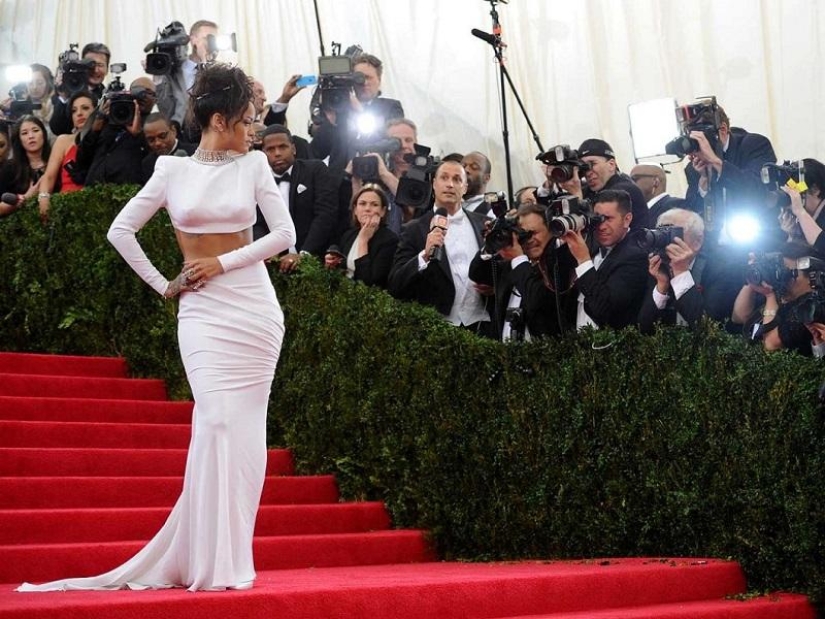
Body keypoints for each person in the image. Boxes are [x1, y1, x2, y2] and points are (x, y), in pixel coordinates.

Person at [17, 63, 296, 592]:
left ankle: (231, 559)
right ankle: (203, 558)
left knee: (246, 434)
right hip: (202, 312)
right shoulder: (171, 170)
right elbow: (120, 230)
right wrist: (163, 283)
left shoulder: (254, 164)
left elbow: (283, 233)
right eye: (245, 121)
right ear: (219, 119)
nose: (253, 130)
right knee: (213, 420)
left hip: (254, 308)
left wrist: (224, 262)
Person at [388, 160, 490, 331]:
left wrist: (493, 285)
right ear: (433, 184)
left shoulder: (485, 224)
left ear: (465, 187)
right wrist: (423, 256)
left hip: (482, 324)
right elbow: (395, 284)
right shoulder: (414, 229)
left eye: (457, 179)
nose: (450, 184)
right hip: (436, 328)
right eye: (444, 178)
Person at [469, 202, 578, 340]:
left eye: (534, 233)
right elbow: (477, 274)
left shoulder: (558, 266)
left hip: (541, 354)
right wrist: (491, 245)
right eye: (523, 234)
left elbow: (536, 302)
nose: (529, 240)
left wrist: (518, 258)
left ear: (551, 231)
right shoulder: (511, 264)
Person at [637, 208, 741, 333]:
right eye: (661, 232)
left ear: (697, 241)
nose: (664, 240)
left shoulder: (721, 269)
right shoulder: (659, 266)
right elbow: (644, 329)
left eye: (671, 233)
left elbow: (707, 329)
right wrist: (662, 286)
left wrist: (681, 273)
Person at [254, 124, 338, 269]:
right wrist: (267, 251)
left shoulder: (315, 170)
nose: (277, 153)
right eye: (270, 149)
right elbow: (257, 222)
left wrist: (304, 254)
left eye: (282, 147)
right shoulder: (259, 180)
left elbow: (325, 214)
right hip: (273, 265)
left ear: (293, 148)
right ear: (263, 153)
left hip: (314, 263)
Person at [562, 189, 649, 330]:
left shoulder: (636, 256)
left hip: (609, 347)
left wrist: (583, 260)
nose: (601, 226)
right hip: (577, 344)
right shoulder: (590, 245)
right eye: (597, 219)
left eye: (608, 219)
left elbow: (605, 310)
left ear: (627, 219)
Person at [731, 242, 816, 355]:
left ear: (811, 276)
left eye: (788, 274)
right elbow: (739, 318)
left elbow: (770, 344)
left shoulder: (813, 306)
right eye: (779, 272)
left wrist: (770, 296)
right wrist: (753, 276)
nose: (783, 279)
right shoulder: (780, 296)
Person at [75, 78, 156, 186]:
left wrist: (139, 136)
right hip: (94, 193)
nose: (142, 95)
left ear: (155, 99)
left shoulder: (156, 124)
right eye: (138, 90)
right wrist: (95, 130)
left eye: (148, 92)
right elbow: (82, 160)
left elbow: (157, 160)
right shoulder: (109, 120)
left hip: (128, 195)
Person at [325, 184, 399, 288]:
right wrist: (332, 262)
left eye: (374, 204)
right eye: (362, 204)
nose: (367, 209)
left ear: (382, 211)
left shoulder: (390, 241)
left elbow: (369, 284)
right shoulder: (348, 235)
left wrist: (363, 240)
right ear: (355, 209)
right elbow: (340, 271)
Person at [37, 91, 96, 219]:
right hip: (65, 209)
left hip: (94, 209)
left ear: (96, 112)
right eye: (74, 111)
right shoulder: (63, 140)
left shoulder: (103, 140)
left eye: (85, 108)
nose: (79, 113)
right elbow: (49, 177)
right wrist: (43, 198)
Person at [155, 20, 218, 128]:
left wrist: (205, 62)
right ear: (193, 39)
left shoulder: (219, 72)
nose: (211, 44)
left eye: (214, 40)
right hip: (182, 133)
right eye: (207, 38)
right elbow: (165, 109)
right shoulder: (174, 70)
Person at [577, 138, 649, 230]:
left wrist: (576, 192)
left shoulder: (625, 190)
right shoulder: (588, 191)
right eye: (584, 168)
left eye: (592, 164)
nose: (587, 172)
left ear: (611, 165)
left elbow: (594, 225)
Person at [50, 42, 110, 136]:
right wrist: (63, 97)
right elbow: (57, 129)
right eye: (91, 65)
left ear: (107, 69)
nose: (96, 70)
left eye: (100, 65)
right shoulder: (65, 92)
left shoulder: (108, 96)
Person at [0, 115, 51, 216]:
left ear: (44, 134)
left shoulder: (55, 161)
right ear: (19, 139)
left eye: (35, 130)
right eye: (24, 133)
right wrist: (27, 197)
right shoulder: (9, 168)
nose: (31, 136)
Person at [141, 112, 196, 183]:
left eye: (162, 136)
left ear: (173, 130)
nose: (157, 143)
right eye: (151, 140)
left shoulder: (195, 152)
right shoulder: (148, 164)